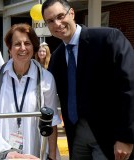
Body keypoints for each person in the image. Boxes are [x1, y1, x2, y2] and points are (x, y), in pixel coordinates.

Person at [42, 0, 134, 159]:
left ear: (71, 13)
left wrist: (126, 137)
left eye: (60, 16)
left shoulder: (108, 39)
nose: (57, 23)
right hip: (76, 139)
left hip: (110, 138)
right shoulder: (56, 58)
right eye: (50, 21)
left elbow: (130, 87)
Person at [0, 23, 61, 159]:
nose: (22, 48)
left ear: (34, 47)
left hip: (34, 152)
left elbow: (53, 121)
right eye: (17, 44)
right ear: (10, 48)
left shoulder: (46, 78)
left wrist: (51, 156)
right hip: (4, 153)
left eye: (27, 43)